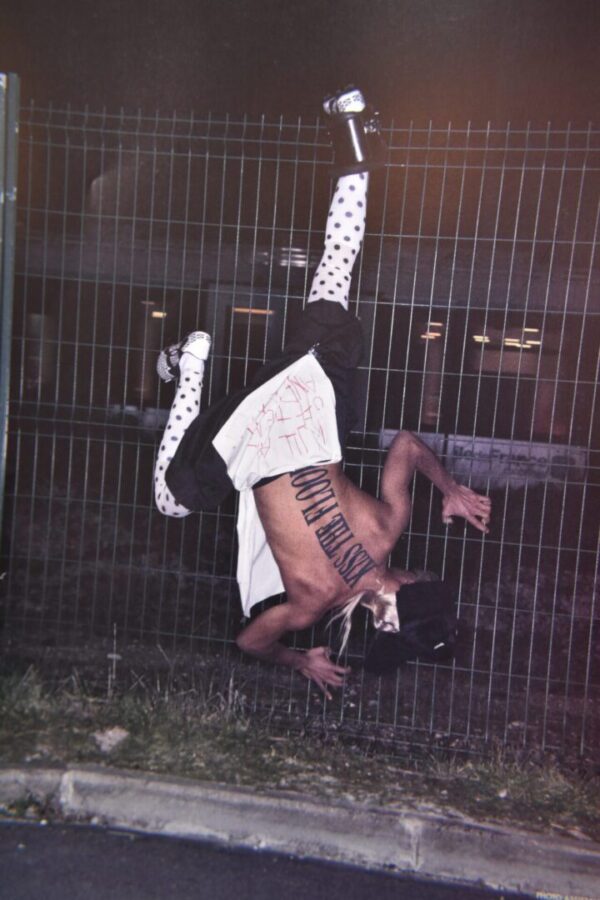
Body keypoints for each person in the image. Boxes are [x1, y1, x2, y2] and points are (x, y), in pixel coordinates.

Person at [153, 87, 492, 698]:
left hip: (308, 398)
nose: (378, 631)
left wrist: (452, 491)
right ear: (388, 614)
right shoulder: (312, 604)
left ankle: (352, 133)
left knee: (335, 270)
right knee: (170, 502)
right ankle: (191, 365)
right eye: (387, 631)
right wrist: (297, 661)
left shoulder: (387, 528)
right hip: (254, 431)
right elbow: (249, 643)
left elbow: (410, 444)